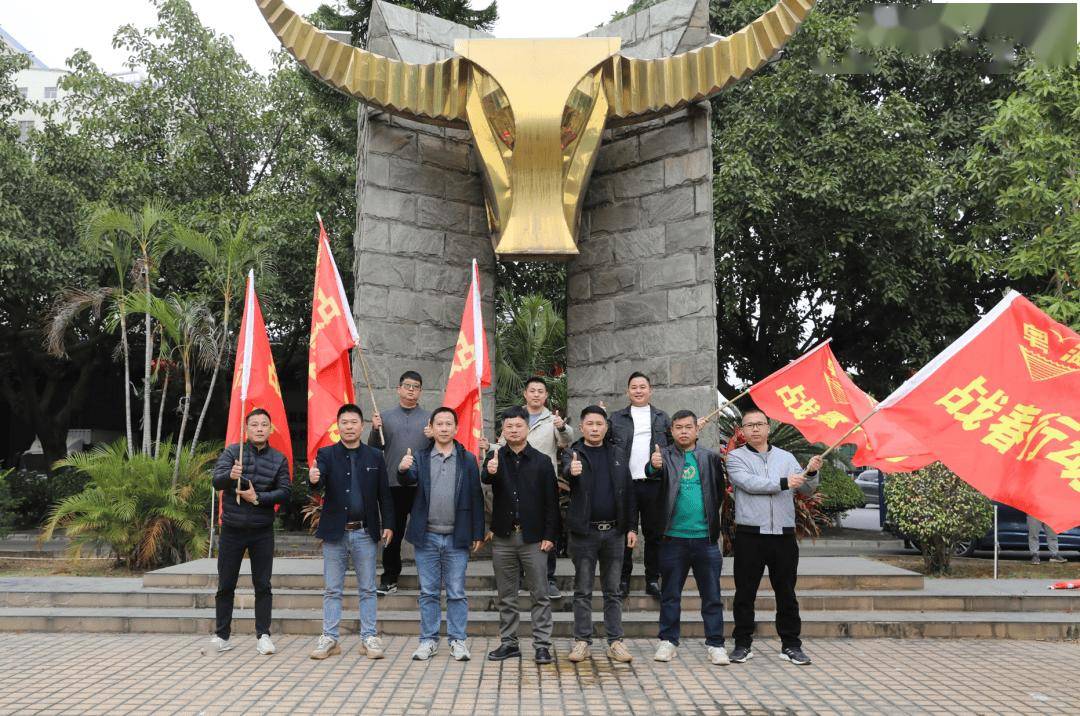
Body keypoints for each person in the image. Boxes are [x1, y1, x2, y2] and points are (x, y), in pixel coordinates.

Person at [726, 408, 822, 666]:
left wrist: (811, 472)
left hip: (783, 536)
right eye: (749, 425)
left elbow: (808, 490)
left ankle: (791, 644)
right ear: (742, 431)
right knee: (745, 593)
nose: (755, 429)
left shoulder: (787, 457)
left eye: (759, 424)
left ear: (768, 428)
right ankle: (742, 644)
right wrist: (784, 483)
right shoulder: (735, 457)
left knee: (786, 593)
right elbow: (749, 483)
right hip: (750, 535)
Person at [398, 407, 486, 662]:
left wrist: (477, 531)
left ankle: (458, 641)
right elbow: (408, 480)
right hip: (427, 536)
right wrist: (403, 470)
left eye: (449, 424)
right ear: (432, 428)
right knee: (428, 591)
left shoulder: (467, 459)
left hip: (457, 536)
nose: (445, 428)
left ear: (456, 428)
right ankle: (428, 640)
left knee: (457, 591)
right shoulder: (421, 457)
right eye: (440, 424)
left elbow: (476, 497)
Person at [308, 404, 395, 661]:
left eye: (353, 422)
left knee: (367, 588)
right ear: (338, 426)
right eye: (344, 422)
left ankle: (369, 637)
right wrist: (313, 478)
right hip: (335, 533)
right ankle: (330, 638)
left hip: (364, 532)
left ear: (362, 425)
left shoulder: (374, 456)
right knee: (332, 589)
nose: (349, 426)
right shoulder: (326, 455)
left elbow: (384, 495)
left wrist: (387, 524)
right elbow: (317, 484)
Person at [645, 410, 728, 665]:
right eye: (678, 427)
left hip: (705, 539)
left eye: (688, 427)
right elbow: (652, 474)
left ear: (696, 429)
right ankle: (668, 641)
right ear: (671, 431)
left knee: (712, 595)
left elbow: (719, 494)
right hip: (673, 539)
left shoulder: (710, 458)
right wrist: (653, 465)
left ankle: (715, 644)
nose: (683, 431)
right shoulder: (664, 456)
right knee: (670, 594)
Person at [480, 376, 572, 599]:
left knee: (543, 529)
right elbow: (503, 447)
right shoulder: (514, 416)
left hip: (541, 477)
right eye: (533, 390)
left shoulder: (552, 420)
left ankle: (548, 580)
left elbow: (566, 439)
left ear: (546, 395)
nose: (537, 394)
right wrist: (489, 447)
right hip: (513, 478)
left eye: (541, 391)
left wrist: (562, 427)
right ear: (525, 394)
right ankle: (519, 579)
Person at [209, 408, 291, 655]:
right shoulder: (233, 452)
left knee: (263, 585)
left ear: (270, 429)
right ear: (246, 429)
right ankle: (222, 635)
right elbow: (216, 481)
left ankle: (263, 635)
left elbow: (285, 492)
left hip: (262, 530)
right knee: (225, 585)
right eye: (254, 424)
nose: (258, 428)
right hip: (232, 530)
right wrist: (229, 475)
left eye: (263, 424)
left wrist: (258, 498)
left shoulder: (279, 459)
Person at [481, 406, 560, 664]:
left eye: (518, 426)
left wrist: (550, 535)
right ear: (502, 430)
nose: (513, 430)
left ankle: (542, 645)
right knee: (507, 594)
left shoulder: (541, 461)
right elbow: (485, 479)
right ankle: (509, 642)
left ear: (527, 428)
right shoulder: (495, 457)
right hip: (503, 537)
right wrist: (489, 471)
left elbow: (552, 502)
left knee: (539, 593)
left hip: (534, 538)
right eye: (508, 427)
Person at [560, 406, 637, 664]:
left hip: (614, 533)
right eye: (589, 424)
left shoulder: (617, 453)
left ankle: (615, 642)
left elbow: (628, 493)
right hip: (585, 534)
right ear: (582, 427)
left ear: (606, 427)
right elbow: (564, 471)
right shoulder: (573, 453)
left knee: (612, 590)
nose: (594, 428)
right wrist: (572, 471)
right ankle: (582, 641)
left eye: (599, 424)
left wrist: (631, 528)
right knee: (582, 590)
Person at [609, 371, 672, 599]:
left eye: (642, 387)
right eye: (634, 387)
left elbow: (673, 449)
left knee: (654, 533)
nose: (638, 390)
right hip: (624, 484)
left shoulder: (662, 418)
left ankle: (652, 579)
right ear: (628, 391)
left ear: (650, 390)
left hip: (654, 483)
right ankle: (623, 579)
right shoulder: (615, 418)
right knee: (625, 532)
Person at [369, 370, 432, 595]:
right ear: (398, 388)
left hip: (422, 485)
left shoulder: (430, 419)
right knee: (391, 532)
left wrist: (433, 436)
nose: (411, 389)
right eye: (407, 385)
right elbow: (374, 449)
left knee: (425, 533)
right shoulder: (384, 417)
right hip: (392, 484)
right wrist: (375, 430)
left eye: (416, 386)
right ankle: (389, 577)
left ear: (420, 391)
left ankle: (429, 579)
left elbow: (439, 449)